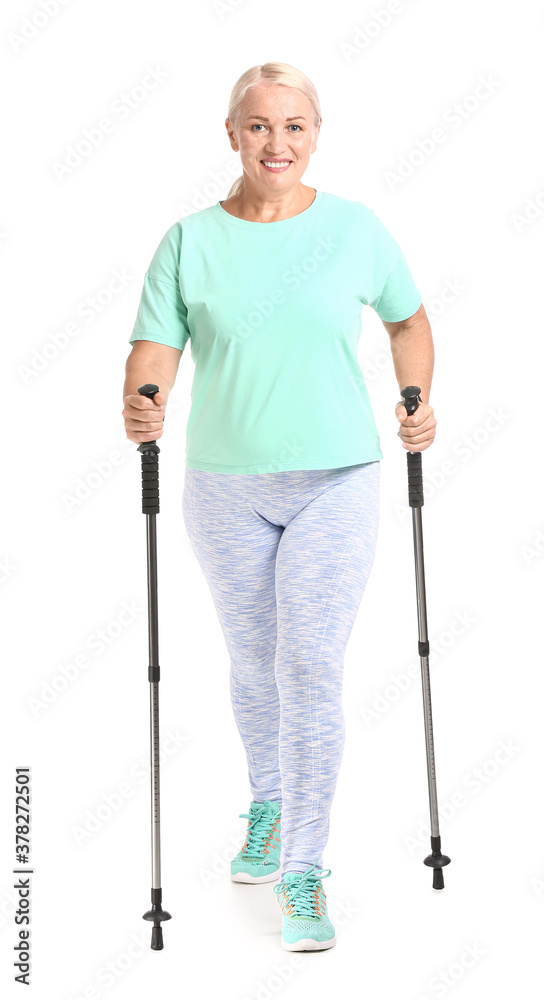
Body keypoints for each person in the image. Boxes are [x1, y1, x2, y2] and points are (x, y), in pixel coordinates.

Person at [122, 61, 436, 953]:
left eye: (295, 126)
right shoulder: (188, 241)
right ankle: (267, 799)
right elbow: (154, 350)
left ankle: (303, 865)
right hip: (222, 484)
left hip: (337, 477)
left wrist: (417, 398)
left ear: (316, 134)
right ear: (232, 135)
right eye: (260, 126)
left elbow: (408, 322)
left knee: (309, 662)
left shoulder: (354, 229)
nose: (277, 143)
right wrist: (142, 399)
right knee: (253, 660)